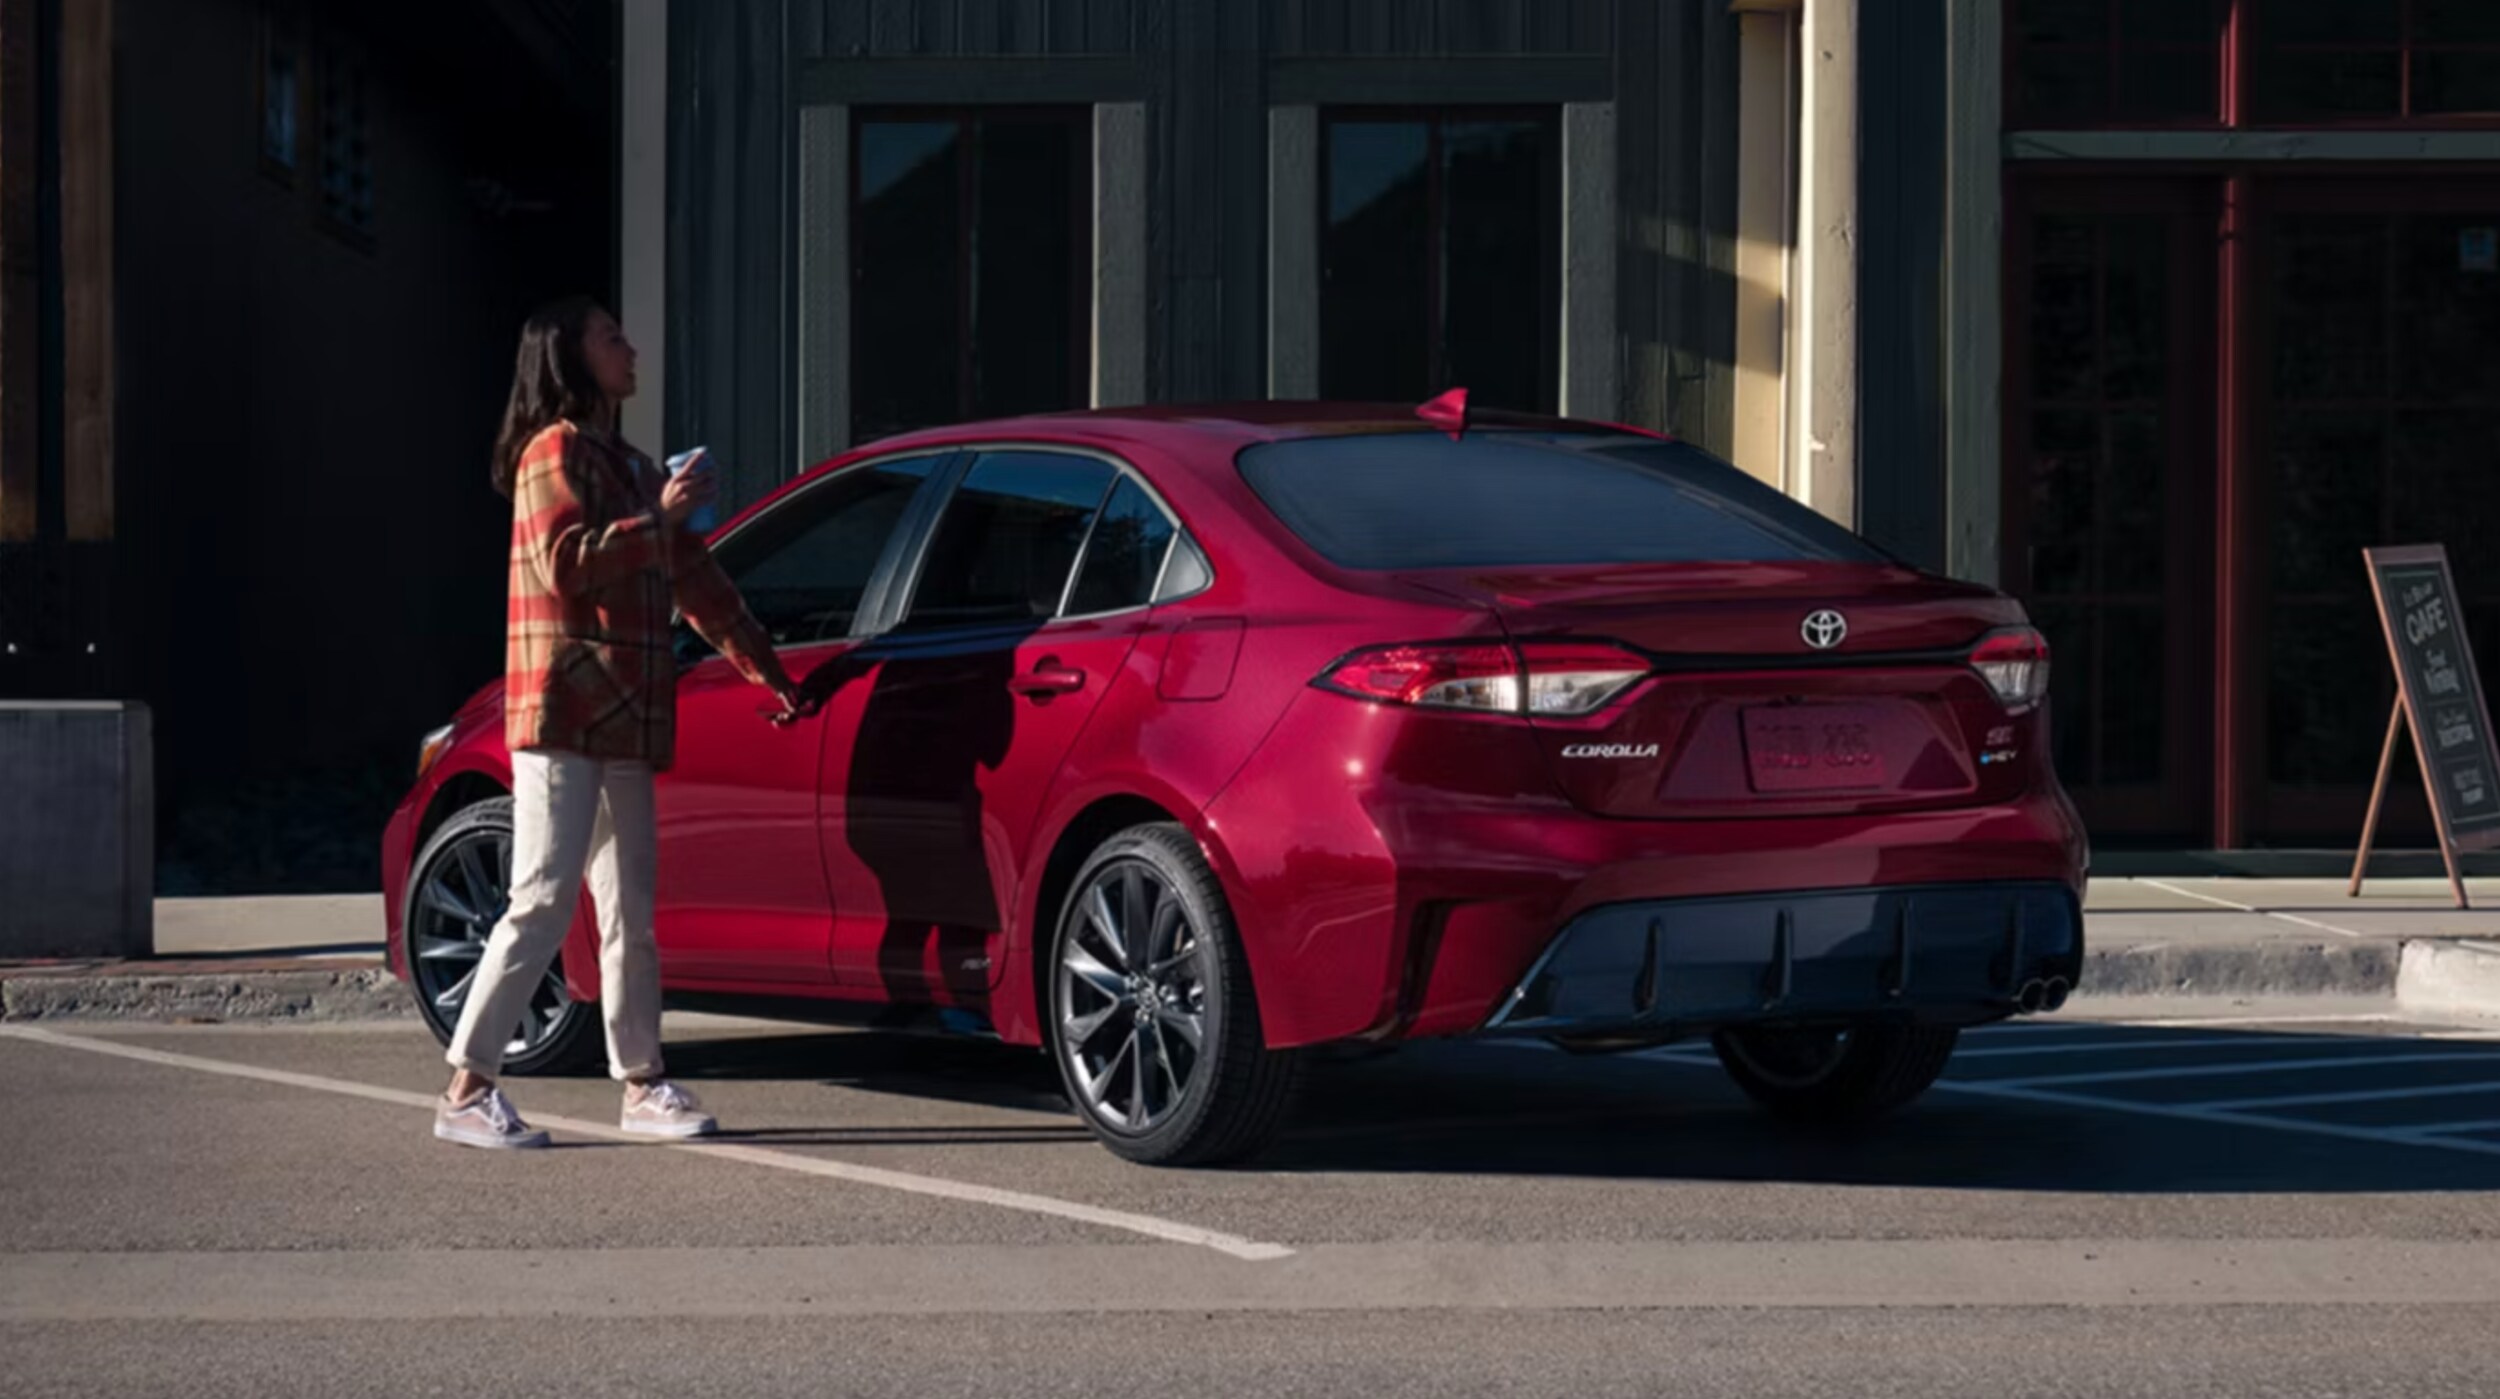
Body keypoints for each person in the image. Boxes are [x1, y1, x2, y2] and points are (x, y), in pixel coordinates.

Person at [435, 296, 807, 1150]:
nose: (631, 349)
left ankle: (643, 1084)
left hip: (628, 721)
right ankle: (466, 1088)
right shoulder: (552, 452)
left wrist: (771, 670)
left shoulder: (637, 467)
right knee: (540, 898)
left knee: (630, 908)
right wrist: (662, 518)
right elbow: (564, 564)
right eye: (612, 338)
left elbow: (700, 586)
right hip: (564, 712)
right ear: (570, 357)